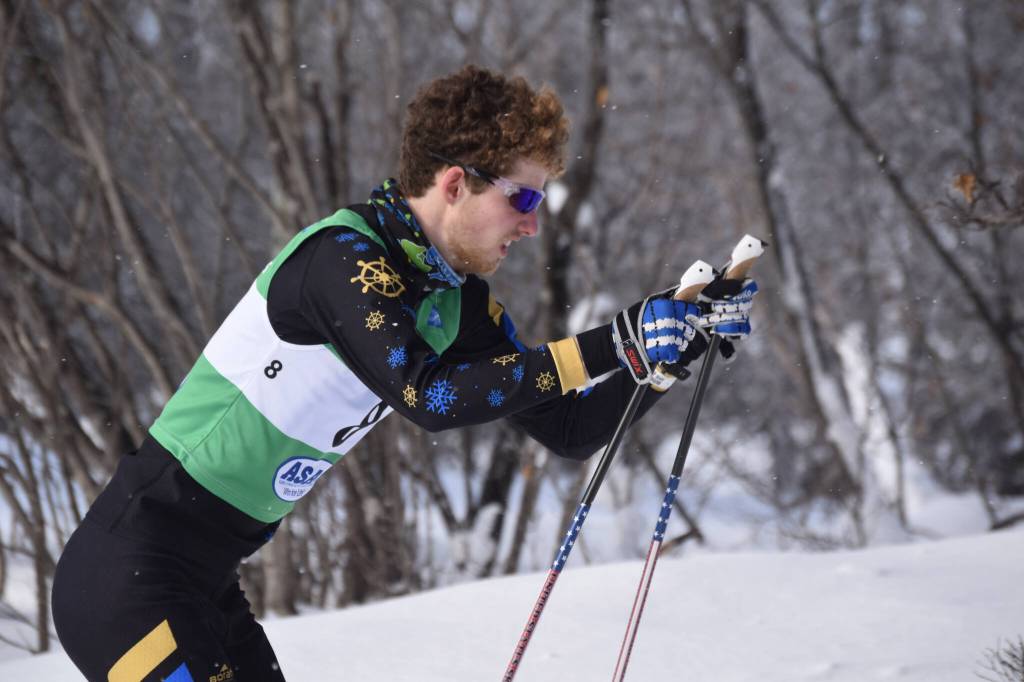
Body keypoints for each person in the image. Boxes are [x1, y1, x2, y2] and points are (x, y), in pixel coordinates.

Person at [51, 65, 756, 682]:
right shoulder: (344, 262)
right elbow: (431, 395)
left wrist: (668, 352)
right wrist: (616, 340)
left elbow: (570, 429)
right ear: (454, 183)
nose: (532, 226)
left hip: (203, 584)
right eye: (524, 199)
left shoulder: (455, 301)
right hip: (126, 583)